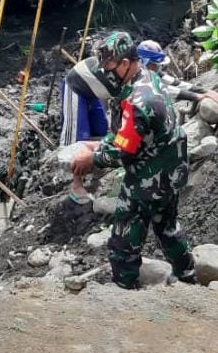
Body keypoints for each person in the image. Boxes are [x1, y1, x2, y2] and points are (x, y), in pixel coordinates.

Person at [67, 31, 196, 289]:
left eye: (108, 67)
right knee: (167, 227)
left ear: (125, 64)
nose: (105, 73)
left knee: (123, 242)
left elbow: (122, 152)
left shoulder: (138, 101)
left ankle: (125, 291)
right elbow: (122, 135)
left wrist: (91, 158)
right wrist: (102, 143)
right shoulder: (147, 77)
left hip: (150, 177)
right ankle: (189, 278)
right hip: (172, 168)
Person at [136, 40, 218, 106]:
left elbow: (176, 83)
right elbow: (164, 89)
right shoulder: (135, 76)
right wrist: (198, 97)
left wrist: (206, 91)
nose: (157, 67)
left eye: (158, 64)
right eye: (154, 64)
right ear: (143, 62)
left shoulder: (152, 71)